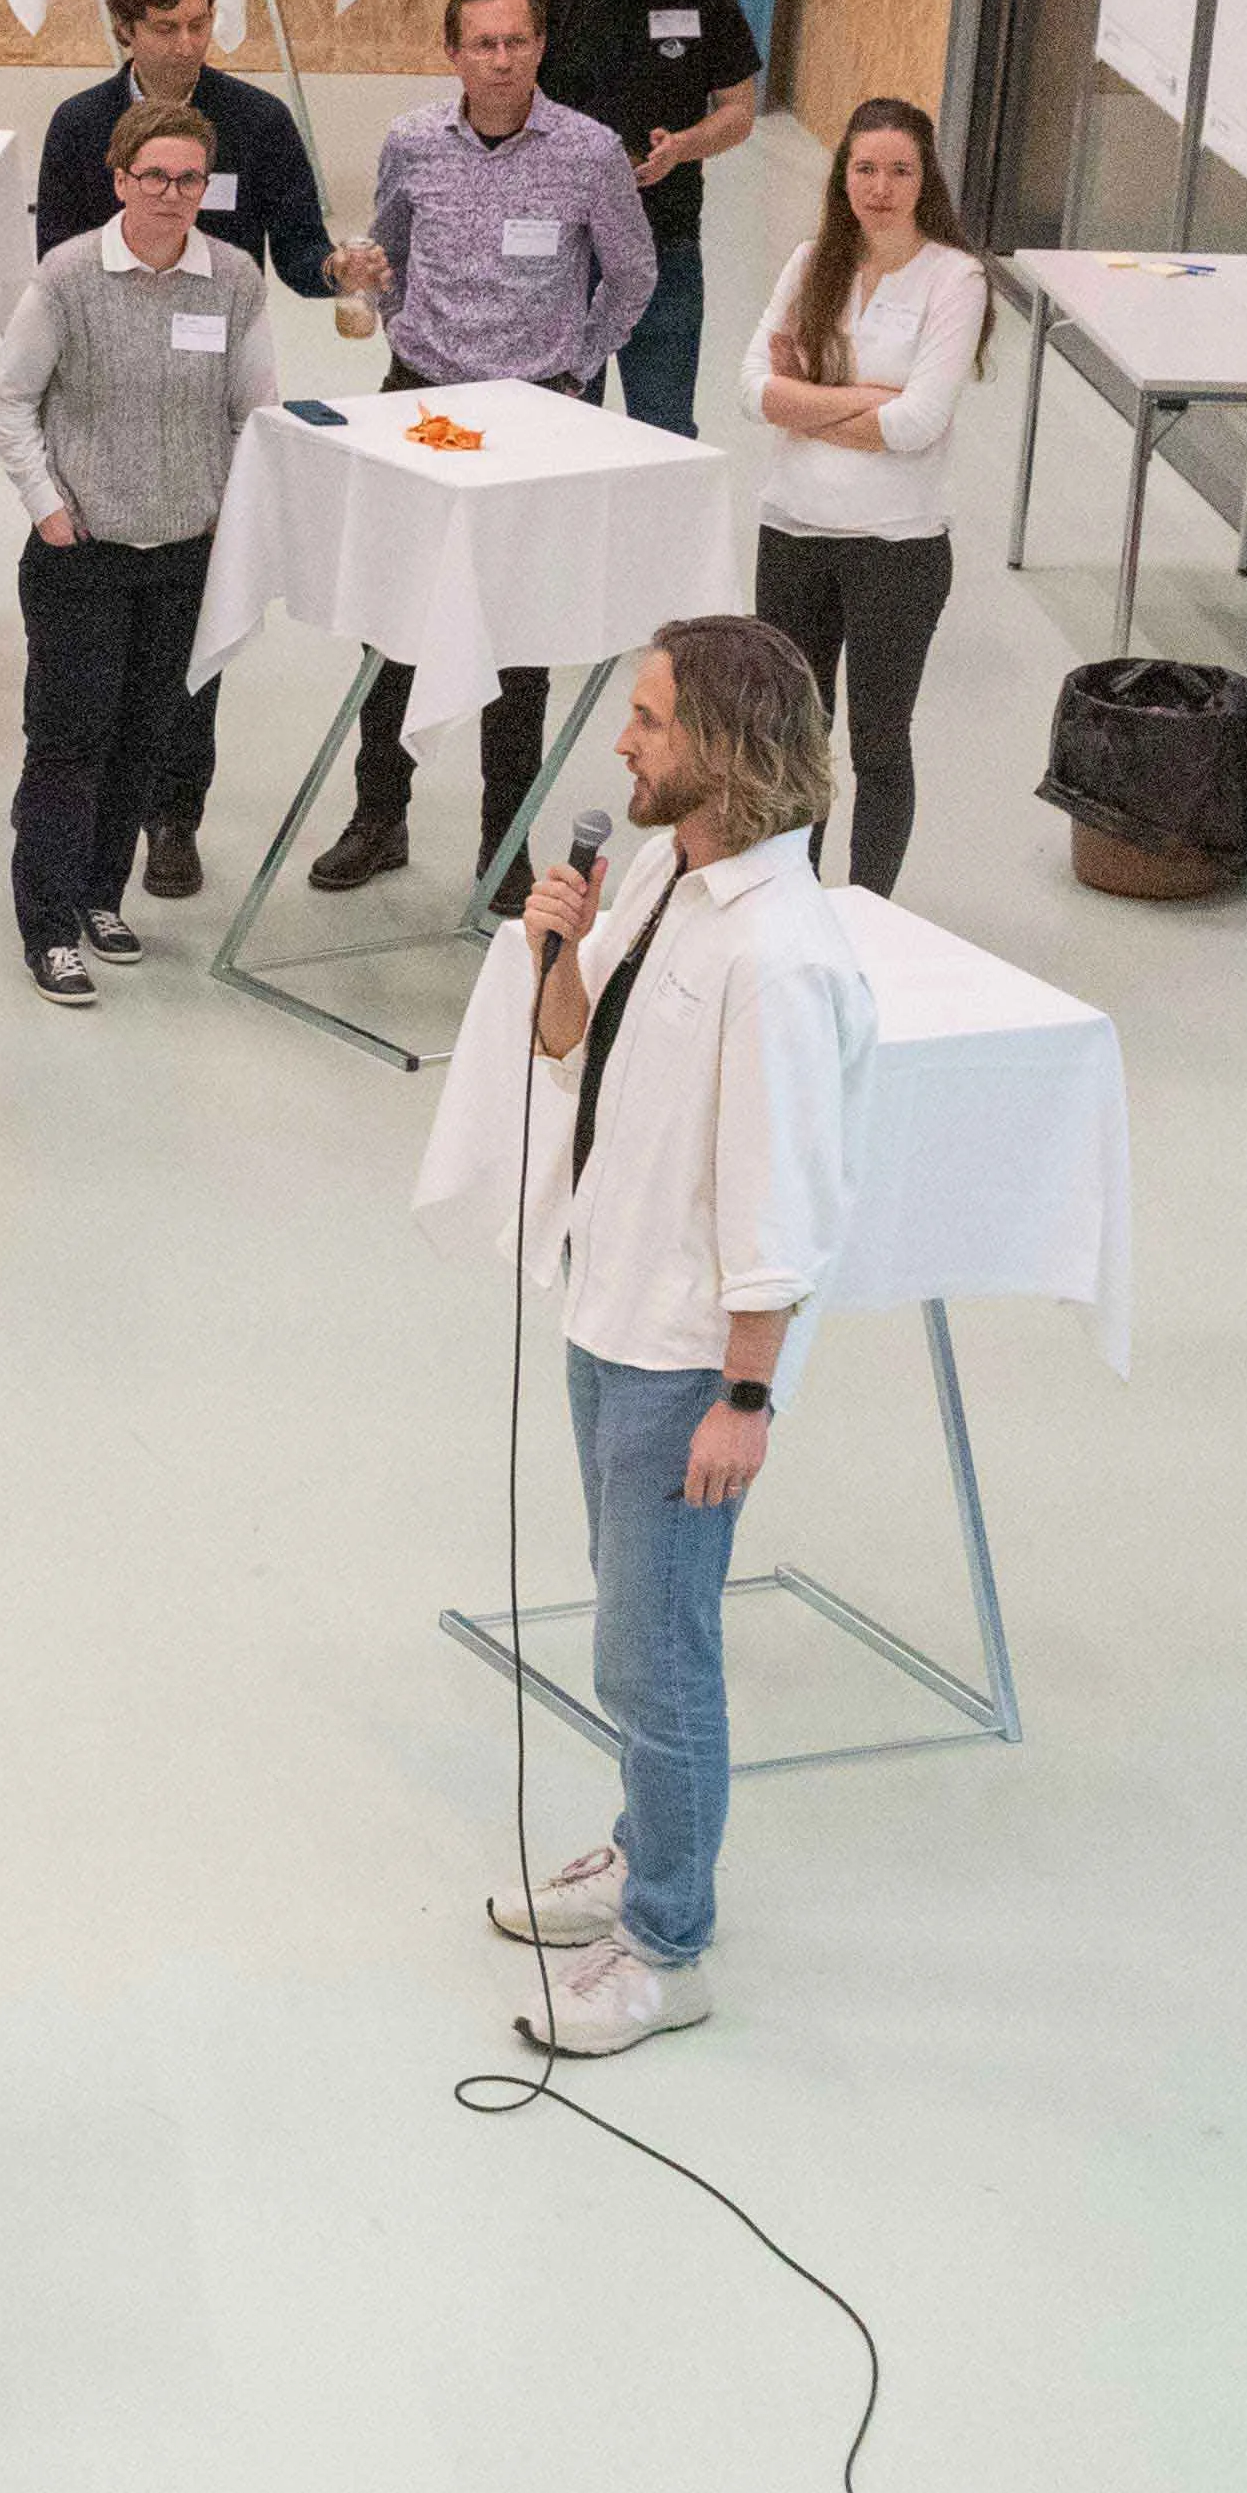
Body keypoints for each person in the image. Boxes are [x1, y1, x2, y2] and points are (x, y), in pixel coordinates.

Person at [492, 616, 876, 2057]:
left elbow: (785, 1204)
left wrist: (744, 1400)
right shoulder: (670, 874)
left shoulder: (780, 956)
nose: (624, 742)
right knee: (626, 1627)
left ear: (719, 748)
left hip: (680, 1362)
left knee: (657, 1655)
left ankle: (669, 1943)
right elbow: (567, 1047)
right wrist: (558, 953)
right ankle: (642, 1849)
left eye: (648, 719)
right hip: (610, 1306)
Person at [309, 0, 658, 904]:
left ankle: (503, 845)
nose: (502, 61)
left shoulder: (589, 154)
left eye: (518, 41)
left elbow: (632, 275)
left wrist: (577, 366)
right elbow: (384, 255)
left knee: (518, 637)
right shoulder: (413, 142)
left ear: (540, 46)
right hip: (417, 399)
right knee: (394, 621)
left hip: (535, 414)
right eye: (483, 45)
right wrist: (380, 300)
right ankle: (378, 817)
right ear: (452, 54)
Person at [28, 0, 342, 901]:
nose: (187, 45)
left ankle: (174, 816)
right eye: (166, 28)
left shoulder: (258, 120)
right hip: (100, 414)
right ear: (125, 29)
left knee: (188, 641)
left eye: (202, 24)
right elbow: (59, 272)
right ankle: (60, 813)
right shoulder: (80, 125)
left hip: (205, 421)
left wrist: (338, 272)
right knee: (83, 651)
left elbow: (299, 251)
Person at [0, 102, 280, 1007]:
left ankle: (100, 897)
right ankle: (47, 925)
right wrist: (47, 509)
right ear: (119, 179)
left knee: (144, 739)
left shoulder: (232, 281)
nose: (171, 195)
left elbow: (256, 415)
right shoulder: (70, 276)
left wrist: (232, 519)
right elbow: (10, 403)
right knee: (69, 742)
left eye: (189, 179)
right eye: (153, 176)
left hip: (182, 557)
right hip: (83, 553)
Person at [743, 97, 988, 897]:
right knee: (793, 739)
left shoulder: (956, 278)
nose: (880, 187)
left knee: (879, 744)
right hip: (793, 533)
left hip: (897, 550)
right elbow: (752, 393)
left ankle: (869, 914)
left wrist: (808, 396)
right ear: (842, 173)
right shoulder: (813, 262)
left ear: (926, 181)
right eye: (864, 168)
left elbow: (917, 423)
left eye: (900, 170)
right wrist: (864, 397)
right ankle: (791, 902)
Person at [530, 0, 763, 437]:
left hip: (667, 242)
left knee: (661, 427)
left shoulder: (708, 1)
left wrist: (683, 146)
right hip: (564, 248)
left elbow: (739, 111)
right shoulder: (552, 1)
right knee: (560, 422)